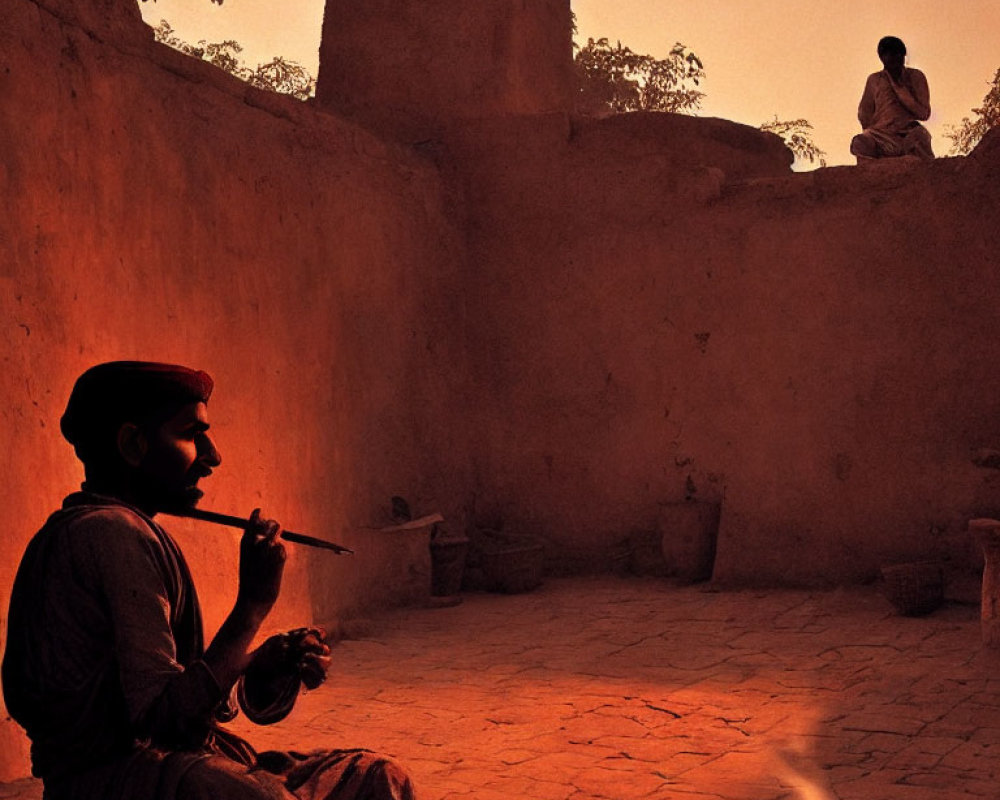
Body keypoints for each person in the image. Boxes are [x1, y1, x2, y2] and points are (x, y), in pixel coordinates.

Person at [2, 361, 417, 800]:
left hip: (166, 764)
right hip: (115, 781)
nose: (211, 457)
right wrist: (252, 606)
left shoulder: (116, 529)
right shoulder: (111, 534)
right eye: (190, 434)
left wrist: (263, 667)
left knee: (380, 775)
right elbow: (167, 720)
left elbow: (188, 697)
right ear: (132, 443)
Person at [851, 36, 933, 162]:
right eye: (889, 56)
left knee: (921, 137)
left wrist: (901, 91)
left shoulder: (915, 76)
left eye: (897, 55)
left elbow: (924, 113)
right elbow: (864, 114)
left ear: (903, 56)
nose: (894, 59)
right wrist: (875, 131)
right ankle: (872, 176)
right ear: (882, 58)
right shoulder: (874, 80)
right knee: (860, 142)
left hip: (908, 132)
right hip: (882, 135)